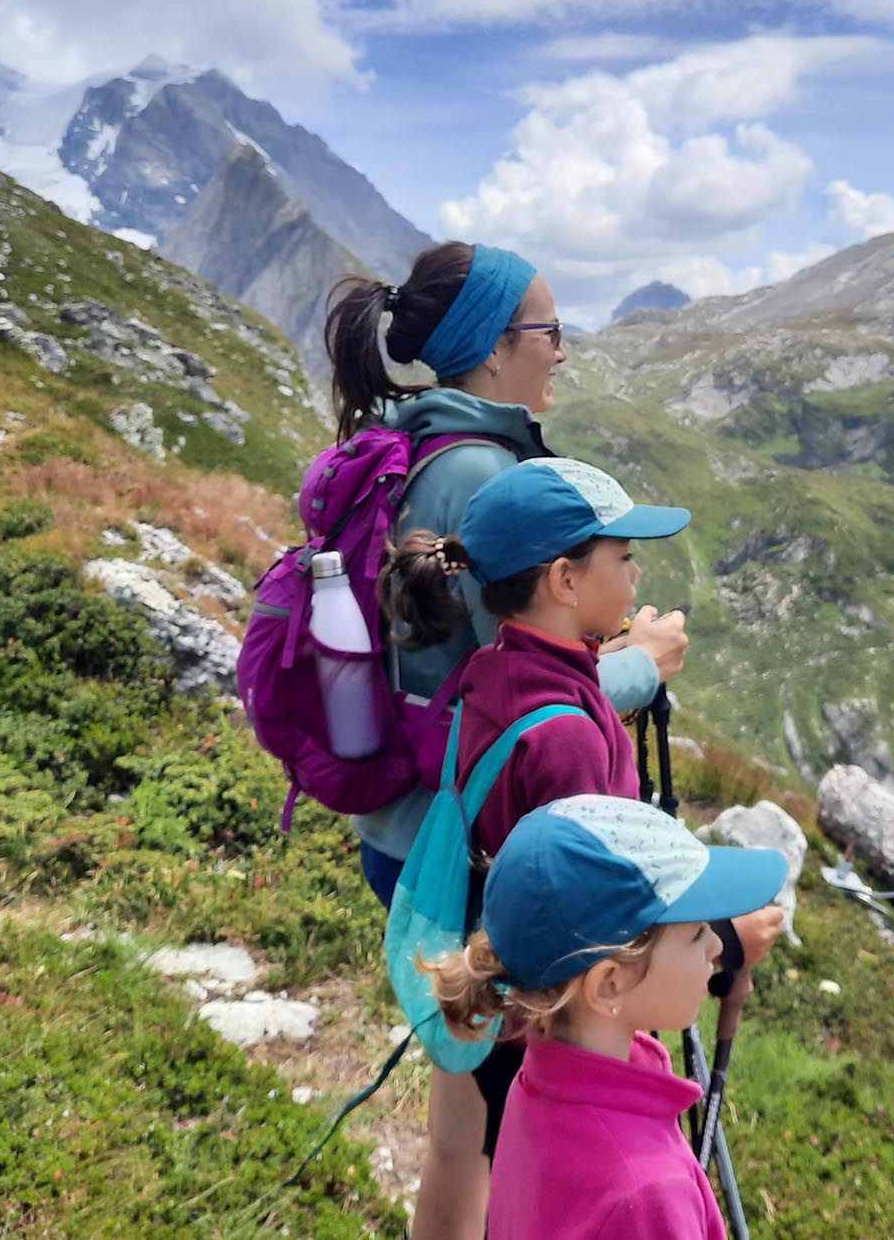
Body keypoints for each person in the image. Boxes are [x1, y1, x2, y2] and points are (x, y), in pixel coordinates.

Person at [325, 243, 688, 1240]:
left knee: (469, 1108)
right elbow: (529, 685)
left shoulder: (421, 443)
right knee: (510, 1122)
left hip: (419, 821)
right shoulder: (477, 471)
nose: (563, 352)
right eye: (550, 333)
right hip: (472, 854)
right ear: (493, 349)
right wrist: (642, 663)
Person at [382, 457, 784, 1237]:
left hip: (500, 964)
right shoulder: (568, 735)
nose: (636, 575)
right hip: (546, 1005)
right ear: (565, 580)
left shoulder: (497, 671)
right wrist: (725, 938)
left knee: (474, 1146)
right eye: (623, 558)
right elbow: (587, 894)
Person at [433, 794, 788, 1240]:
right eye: (698, 932)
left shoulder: (536, 1088)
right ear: (609, 984)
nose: (717, 949)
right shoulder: (648, 1195)